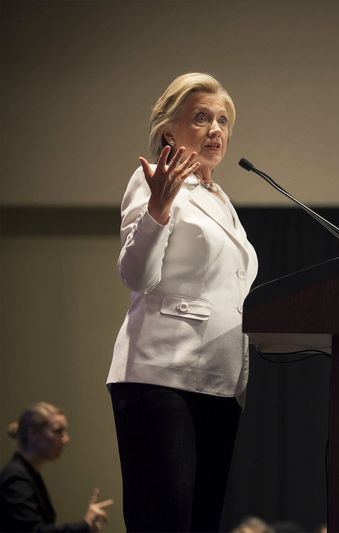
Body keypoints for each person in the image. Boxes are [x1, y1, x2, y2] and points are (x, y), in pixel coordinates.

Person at [107, 72, 259, 532]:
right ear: (169, 130)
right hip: (162, 377)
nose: (216, 129)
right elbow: (136, 276)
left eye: (222, 120)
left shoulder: (219, 198)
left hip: (218, 380)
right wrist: (158, 211)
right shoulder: (152, 180)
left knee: (201, 523)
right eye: (201, 118)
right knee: (165, 521)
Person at [0, 402, 113, 531]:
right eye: (58, 431)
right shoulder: (15, 477)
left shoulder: (27, 473)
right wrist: (85, 525)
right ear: (33, 434)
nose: (66, 439)